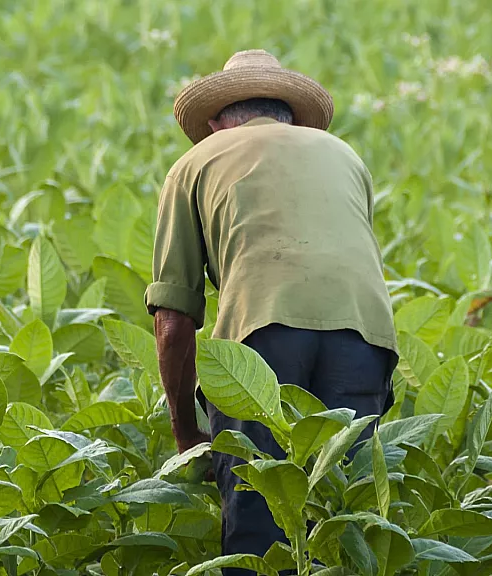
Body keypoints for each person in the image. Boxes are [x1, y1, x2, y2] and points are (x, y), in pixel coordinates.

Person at [145, 49, 399, 575]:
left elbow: (173, 318)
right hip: (366, 337)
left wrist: (186, 432)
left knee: (258, 514)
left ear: (216, 122)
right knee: (340, 519)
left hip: (262, 337)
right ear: (287, 113)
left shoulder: (196, 163)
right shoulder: (345, 155)